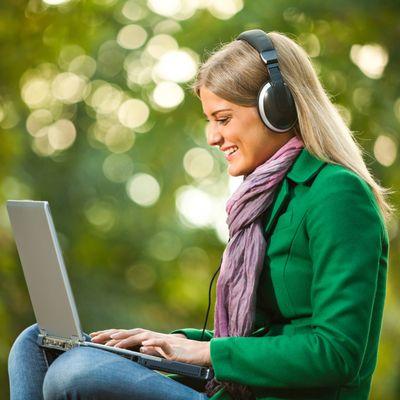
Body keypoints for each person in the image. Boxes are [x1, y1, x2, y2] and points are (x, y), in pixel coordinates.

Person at [8, 29, 395, 400]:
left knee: (74, 373)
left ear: (276, 109)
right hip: (236, 389)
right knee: (36, 343)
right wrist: (162, 343)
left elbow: (337, 353)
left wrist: (206, 353)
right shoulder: (263, 199)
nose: (212, 136)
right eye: (210, 120)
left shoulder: (337, 194)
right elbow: (257, 336)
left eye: (223, 119)